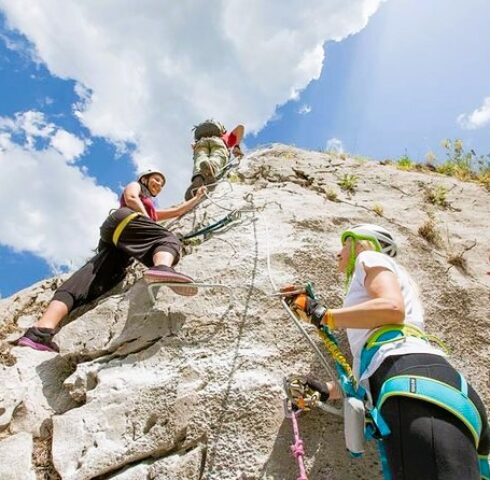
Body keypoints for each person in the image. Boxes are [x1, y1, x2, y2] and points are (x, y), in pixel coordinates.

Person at [284, 224, 489, 480]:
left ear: (362, 242)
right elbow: (380, 364)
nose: (338, 253)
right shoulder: (400, 289)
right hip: (432, 389)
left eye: (344, 243)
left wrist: (323, 315)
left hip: (413, 389)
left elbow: (392, 308)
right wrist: (326, 391)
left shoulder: (368, 257)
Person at [15, 170, 206, 353]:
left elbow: (177, 211)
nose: (159, 185)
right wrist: (147, 219)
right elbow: (130, 197)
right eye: (156, 179)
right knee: (168, 240)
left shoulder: (152, 210)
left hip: (117, 243)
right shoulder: (137, 189)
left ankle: (39, 332)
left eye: (162, 184)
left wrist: (197, 198)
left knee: (83, 285)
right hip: (124, 220)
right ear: (144, 180)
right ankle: (163, 268)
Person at [184, 119, 244, 200]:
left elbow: (192, 145)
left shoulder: (202, 137)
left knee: (200, 158)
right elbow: (241, 127)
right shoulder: (227, 136)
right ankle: (211, 168)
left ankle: (198, 177)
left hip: (201, 142)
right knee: (217, 156)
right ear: (222, 130)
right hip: (218, 142)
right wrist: (237, 146)